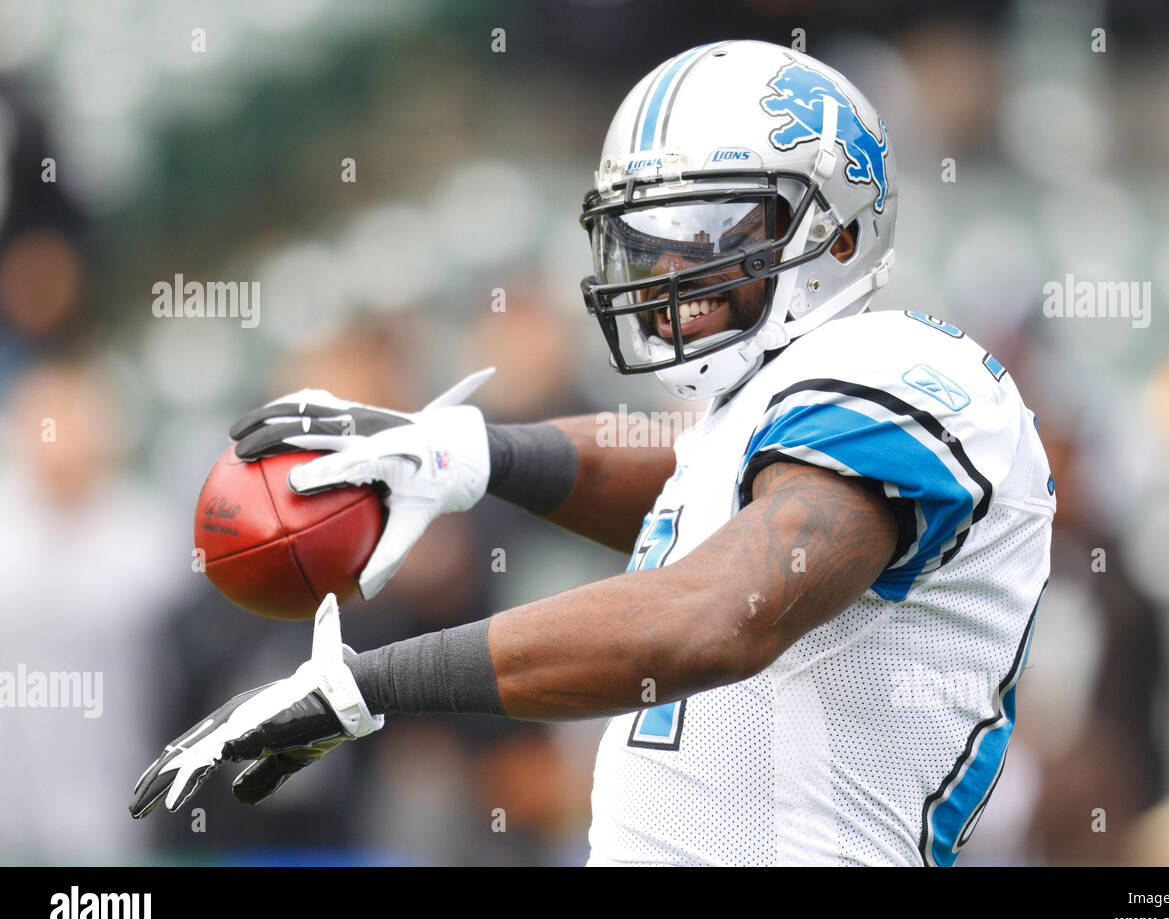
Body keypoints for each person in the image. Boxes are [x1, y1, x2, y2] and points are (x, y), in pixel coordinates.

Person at [130, 40, 1055, 866]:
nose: (664, 272)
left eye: (703, 231)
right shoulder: (753, 424)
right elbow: (688, 488)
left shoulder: (904, 368)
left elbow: (716, 614)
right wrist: (466, 456)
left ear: (837, 233)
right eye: (646, 238)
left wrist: (370, 682)